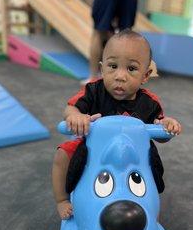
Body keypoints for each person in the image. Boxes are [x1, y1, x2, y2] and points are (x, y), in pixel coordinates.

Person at [52, 30, 182, 219]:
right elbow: (70, 108)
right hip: (92, 146)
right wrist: (76, 116)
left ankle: (146, 203)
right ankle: (62, 199)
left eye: (131, 69)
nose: (120, 76)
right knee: (62, 155)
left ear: (145, 76)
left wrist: (167, 125)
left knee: (151, 167)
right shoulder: (93, 90)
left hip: (134, 152)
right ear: (102, 69)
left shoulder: (150, 103)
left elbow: (160, 131)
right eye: (113, 66)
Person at [82, 0, 140, 83]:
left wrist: (98, 15)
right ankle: (124, 78)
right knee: (125, 35)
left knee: (97, 32)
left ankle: (92, 77)